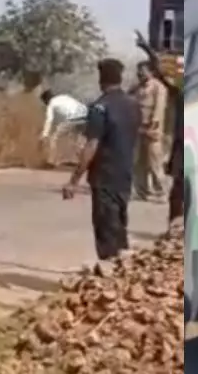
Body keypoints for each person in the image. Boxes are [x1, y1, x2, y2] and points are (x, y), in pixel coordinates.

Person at [61, 58, 140, 261]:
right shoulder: (133, 105)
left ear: (101, 79)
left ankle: (110, 277)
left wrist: (73, 181)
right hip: (125, 174)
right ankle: (123, 277)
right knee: (119, 227)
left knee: (106, 231)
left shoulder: (100, 108)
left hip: (104, 176)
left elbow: (91, 146)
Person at [136, 30, 184, 224]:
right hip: (180, 141)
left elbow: (161, 77)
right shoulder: (179, 92)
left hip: (160, 132)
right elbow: (161, 72)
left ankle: (159, 192)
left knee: (156, 163)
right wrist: (146, 48)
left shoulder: (165, 90)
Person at [131, 61, 168, 202]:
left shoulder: (159, 88)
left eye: (143, 71)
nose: (140, 74)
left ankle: (161, 192)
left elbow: (159, 108)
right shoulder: (137, 88)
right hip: (138, 128)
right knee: (138, 162)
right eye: (139, 71)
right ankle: (141, 191)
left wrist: (154, 124)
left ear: (151, 72)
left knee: (155, 162)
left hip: (152, 129)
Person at [39, 88, 88, 167]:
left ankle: (51, 162)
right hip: (86, 116)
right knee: (76, 140)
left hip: (73, 118)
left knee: (54, 138)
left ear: (46, 100)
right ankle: (79, 160)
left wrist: (45, 135)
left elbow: (49, 120)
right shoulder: (64, 97)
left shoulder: (51, 103)